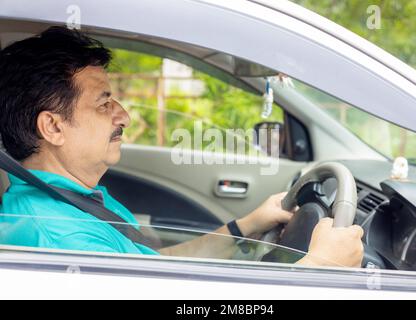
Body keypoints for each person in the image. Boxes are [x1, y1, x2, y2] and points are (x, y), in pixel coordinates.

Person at [0, 27, 364, 267]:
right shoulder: (58, 236)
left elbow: (155, 265)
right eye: (103, 103)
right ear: (53, 126)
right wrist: (319, 268)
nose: (123, 116)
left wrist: (244, 226)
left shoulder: (73, 199)